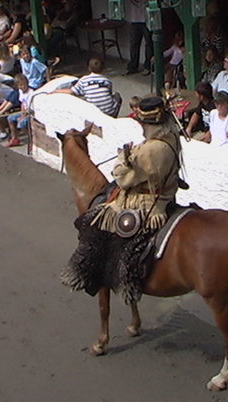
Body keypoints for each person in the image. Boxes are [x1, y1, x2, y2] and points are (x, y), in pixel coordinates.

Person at [92, 96, 183, 233]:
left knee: (96, 225)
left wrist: (122, 157)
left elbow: (122, 179)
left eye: (142, 124)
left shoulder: (149, 150)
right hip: (168, 195)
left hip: (148, 204)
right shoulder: (171, 136)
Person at [55, 56, 122, 117]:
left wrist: (55, 91)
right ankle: (113, 117)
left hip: (94, 113)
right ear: (102, 69)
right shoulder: (107, 81)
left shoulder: (84, 79)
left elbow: (71, 92)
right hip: (109, 112)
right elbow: (109, 93)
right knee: (117, 96)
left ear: (89, 68)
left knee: (83, 100)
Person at [5, 73, 34, 148]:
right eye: (20, 85)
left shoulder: (31, 93)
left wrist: (23, 116)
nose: (23, 87)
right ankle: (14, 138)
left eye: (24, 84)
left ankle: (32, 139)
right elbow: (22, 103)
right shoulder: (20, 92)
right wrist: (22, 113)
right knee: (10, 118)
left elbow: (31, 107)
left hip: (31, 112)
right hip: (24, 111)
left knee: (21, 124)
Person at [125, 0, 152, 76]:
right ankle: (133, 66)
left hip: (147, 19)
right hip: (134, 20)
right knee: (134, 44)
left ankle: (148, 66)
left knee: (149, 44)